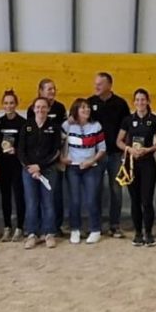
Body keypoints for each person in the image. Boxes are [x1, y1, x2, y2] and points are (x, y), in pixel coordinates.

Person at [117, 89, 156, 247]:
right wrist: (129, 149)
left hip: (148, 163)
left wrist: (148, 149)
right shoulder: (128, 120)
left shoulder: (155, 120)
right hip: (131, 163)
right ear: (134, 102)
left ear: (148, 101)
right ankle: (137, 233)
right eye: (137, 100)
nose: (140, 102)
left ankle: (148, 233)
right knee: (135, 200)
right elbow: (119, 141)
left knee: (147, 200)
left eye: (143, 99)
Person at [88, 72, 131, 238]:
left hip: (115, 154)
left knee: (116, 190)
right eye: (95, 83)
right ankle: (95, 225)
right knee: (95, 190)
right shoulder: (90, 102)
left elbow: (127, 129)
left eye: (100, 84)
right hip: (96, 155)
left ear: (109, 85)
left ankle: (115, 225)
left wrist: (125, 152)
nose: (96, 86)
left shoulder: (121, 104)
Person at [19, 97, 62, 249]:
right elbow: (21, 151)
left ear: (48, 109)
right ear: (33, 109)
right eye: (37, 107)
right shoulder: (26, 126)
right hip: (29, 171)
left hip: (48, 170)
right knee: (31, 202)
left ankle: (49, 233)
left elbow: (56, 151)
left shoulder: (54, 127)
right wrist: (31, 167)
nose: (40, 110)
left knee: (48, 202)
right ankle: (32, 234)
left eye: (44, 107)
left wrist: (40, 166)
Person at [61, 98, 106, 244]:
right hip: (72, 167)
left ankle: (95, 229)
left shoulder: (96, 125)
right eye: (82, 108)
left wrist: (91, 161)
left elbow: (102, 148)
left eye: (88, 107)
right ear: (76, 110)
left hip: (90, 167)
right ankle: (75, 229)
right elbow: (57, 144)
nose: (86, 110)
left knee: (92, 198)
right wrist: (62, 159)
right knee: (75, 200)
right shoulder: (67, 125)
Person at [27, 78, 67, 236]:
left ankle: (55, 227)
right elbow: (31, 134)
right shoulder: (32, 109)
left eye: (54, 88)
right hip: (35, 161)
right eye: (49, 89)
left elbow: (63, 131)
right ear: (40, 91)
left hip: (54, 157)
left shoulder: (60, 107)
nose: (52, 91)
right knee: (35, 197)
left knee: (55, 194)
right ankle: (36, 228)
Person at [0, 89, 26, 242]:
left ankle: (20, 226)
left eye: (11, 103)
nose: (9, 106)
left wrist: (17, 150)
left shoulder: (22, 122)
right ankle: (7, 226)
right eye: (6, 103)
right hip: (3, 164)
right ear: (3, 105)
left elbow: (25, 144)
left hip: (17, 164)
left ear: (16, 104)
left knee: (19, 195)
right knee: (5, 196)